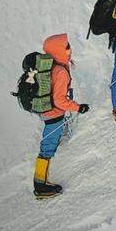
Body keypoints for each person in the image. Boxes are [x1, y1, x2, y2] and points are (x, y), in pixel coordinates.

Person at [33, 34, 88, 199]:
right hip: (53, 115)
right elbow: (59, 101)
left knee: (49, 144)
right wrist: (78, 107)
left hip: (48, 113)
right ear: (58, 50)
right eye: (66, 47)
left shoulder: (53, 66)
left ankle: (41, 182)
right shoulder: (60, 71)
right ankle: (40, 185)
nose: (69, 50)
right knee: (47, 148)